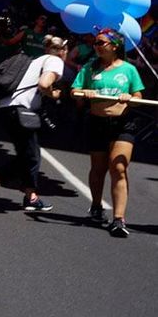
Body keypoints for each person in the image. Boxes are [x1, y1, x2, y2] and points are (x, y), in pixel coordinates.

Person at [0, 35, 67, 213]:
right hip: (18, 110)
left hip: (4, 107)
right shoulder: (55, 61)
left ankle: (30, 195)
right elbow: (43, 84)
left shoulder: (38, 59)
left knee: (28, 153)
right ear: (62, 51)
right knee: (31, 155)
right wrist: (53, 94)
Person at [73, 29, 145, 237]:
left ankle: (119, 219)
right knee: (98, 168)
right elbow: (74, 91)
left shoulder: (129, 69)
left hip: (123, 124)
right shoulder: (89, 68)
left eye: (101, 43)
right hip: (97, 122)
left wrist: (130, 98)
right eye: (95, 43)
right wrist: (83, 93)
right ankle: (96, 205)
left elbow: (138, 94)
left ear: (114, 46)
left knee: (119, 166)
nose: (97, 46)